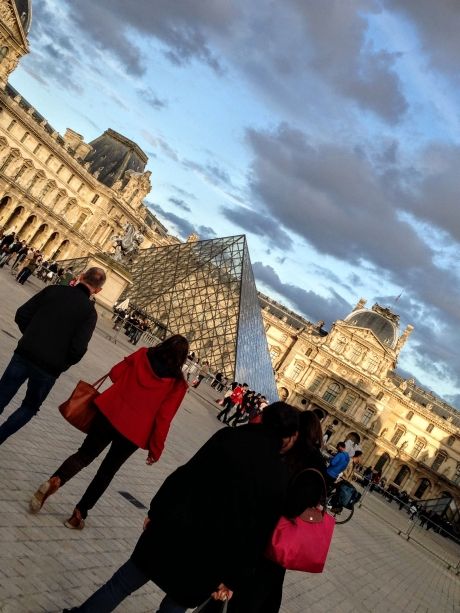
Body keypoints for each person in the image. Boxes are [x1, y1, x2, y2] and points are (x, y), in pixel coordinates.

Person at [63, 402, 300, 613]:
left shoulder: (229, 436)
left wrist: (156, 511)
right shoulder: (280, 477)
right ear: (288, 438)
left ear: (262, 418)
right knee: (174, 608)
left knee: (121, 584)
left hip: (174, 527)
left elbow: (185, 476)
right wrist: (232, 579)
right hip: (211, 557)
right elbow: (257, 535)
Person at [30, 335, 189, 529]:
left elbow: (115, 374)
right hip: (133, 432)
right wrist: (156, 449)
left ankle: (55, 480)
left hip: (109, 413)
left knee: (83, 456)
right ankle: (78, 515)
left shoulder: (142, 354)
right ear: (183, 359)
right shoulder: (177, 385)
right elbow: (164, 418)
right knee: (106, 472)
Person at [214, 410, 327, 613]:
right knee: (259, 593)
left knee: (239, 590)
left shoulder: (287, 450)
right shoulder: (316, 461)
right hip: (277, 541)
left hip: (259, 531)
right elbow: (295, 506)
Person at [0, 268, 106, 446]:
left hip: (25, 353)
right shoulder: (89, 313)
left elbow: (22, 314)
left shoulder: (53, 290)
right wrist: (61, 362)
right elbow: (78, 349)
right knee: (29, 407)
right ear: (98, 290)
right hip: (49, 369)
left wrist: (31, 336)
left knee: (2, 393)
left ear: (80, 277)